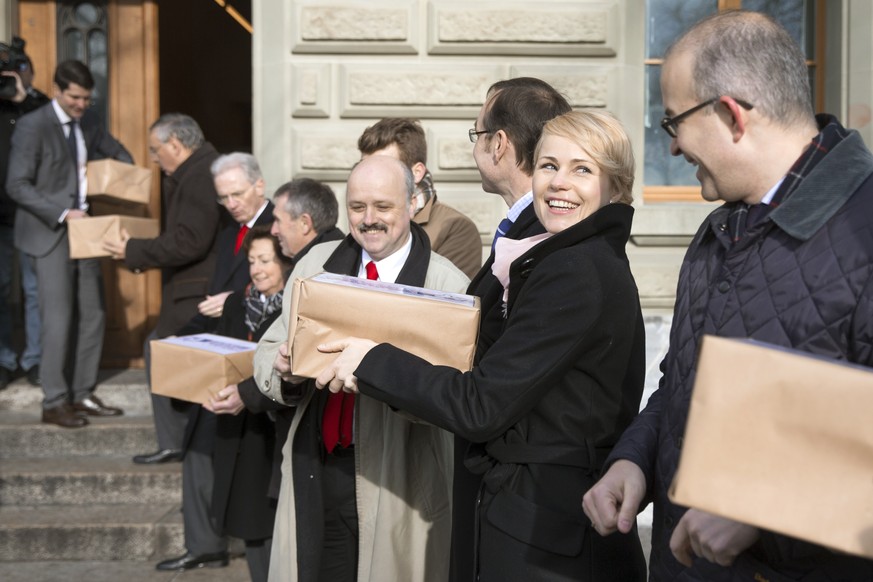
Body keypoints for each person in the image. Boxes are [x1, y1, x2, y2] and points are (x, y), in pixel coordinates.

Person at [582, 11, 873, 581]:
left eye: (673, 124)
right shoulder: (719, 231)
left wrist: (765, 511)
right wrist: (634, 460)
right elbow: (684, 384)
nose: (671, 150)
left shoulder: (864, 231)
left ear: (730, 114)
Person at [315, 110, 647, 581]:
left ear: (616, 186)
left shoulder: (576, 269)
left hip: (550, 537)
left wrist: (374, 361)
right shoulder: (557, 254)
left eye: (582, 169)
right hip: (535, 520)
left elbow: (482, 404)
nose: (559, 183)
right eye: (549, 166)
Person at [253, 155, 469, 581]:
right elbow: (268, 347)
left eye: (383, 207)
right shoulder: (316, 263)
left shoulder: (448, 285)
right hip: (318, 468)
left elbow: (458, 399)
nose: (369, 220)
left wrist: (382, 376)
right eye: (357, 207)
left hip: (400, 481)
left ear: (412, 203)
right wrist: (282, 369)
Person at [451, 76, 572, 581]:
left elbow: (496, 374)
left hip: (529, 506)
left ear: (499, 143)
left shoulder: (547, 237)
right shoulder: (521, 230)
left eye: (475, 131)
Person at [148, 153, 274, 572]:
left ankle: (229, 547)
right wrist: (182, 339)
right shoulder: (228, 233)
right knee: (197, 446)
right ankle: (203, 544)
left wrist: (235, 302)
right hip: (220, 352)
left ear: (259, 185)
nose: (231, 203)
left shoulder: (281, 225)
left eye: (237, 194)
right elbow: (216, 298)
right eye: (224, 197)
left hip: (258, 365)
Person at [6, 59, 131, 427]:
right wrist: (63, 212)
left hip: (87, 231)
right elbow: (17, 185)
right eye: (75, 97)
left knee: (93, 314)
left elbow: (121, 155)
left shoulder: (89, 121)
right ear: (57, 90)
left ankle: (82, 393)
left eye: (86, 99)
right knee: (58, 318)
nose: (80, 105)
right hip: (50, 232)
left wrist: (114, 177)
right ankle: (55, 400)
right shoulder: (32, 125)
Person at [104, 113, 224, 462]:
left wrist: (134, 250)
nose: (154, 159)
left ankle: (178, 442)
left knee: (160, 349)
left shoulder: (201, 173)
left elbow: (190, 242)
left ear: (176, 144)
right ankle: (184, 441)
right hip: (195, 287)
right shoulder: (198, 170)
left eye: (157, 151)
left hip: (197, 289)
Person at [267, 177, 344, 500]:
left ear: (305, 223)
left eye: (276, 220)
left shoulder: (326, 266)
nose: (272, 230)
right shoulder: (309, 260)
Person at [357, 117, 482, 278]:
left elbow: (447, 298)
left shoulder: (456, 228)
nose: (371, 177)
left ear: (417, 172)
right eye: (364, 167)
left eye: (385, 167)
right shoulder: (363, 217)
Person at [0, 38, 48, 390]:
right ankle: (3, 360)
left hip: (34, 215)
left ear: (29, 72)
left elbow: (54, 136)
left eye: (18, 69)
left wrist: (22, 100)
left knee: (36, 291)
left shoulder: (41, 106)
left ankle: (34, 360)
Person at [270, 177, 344, 265]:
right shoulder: (336, 256)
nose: (273, 231)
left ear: (304, 223)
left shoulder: (326, 269)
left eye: (278, 220)